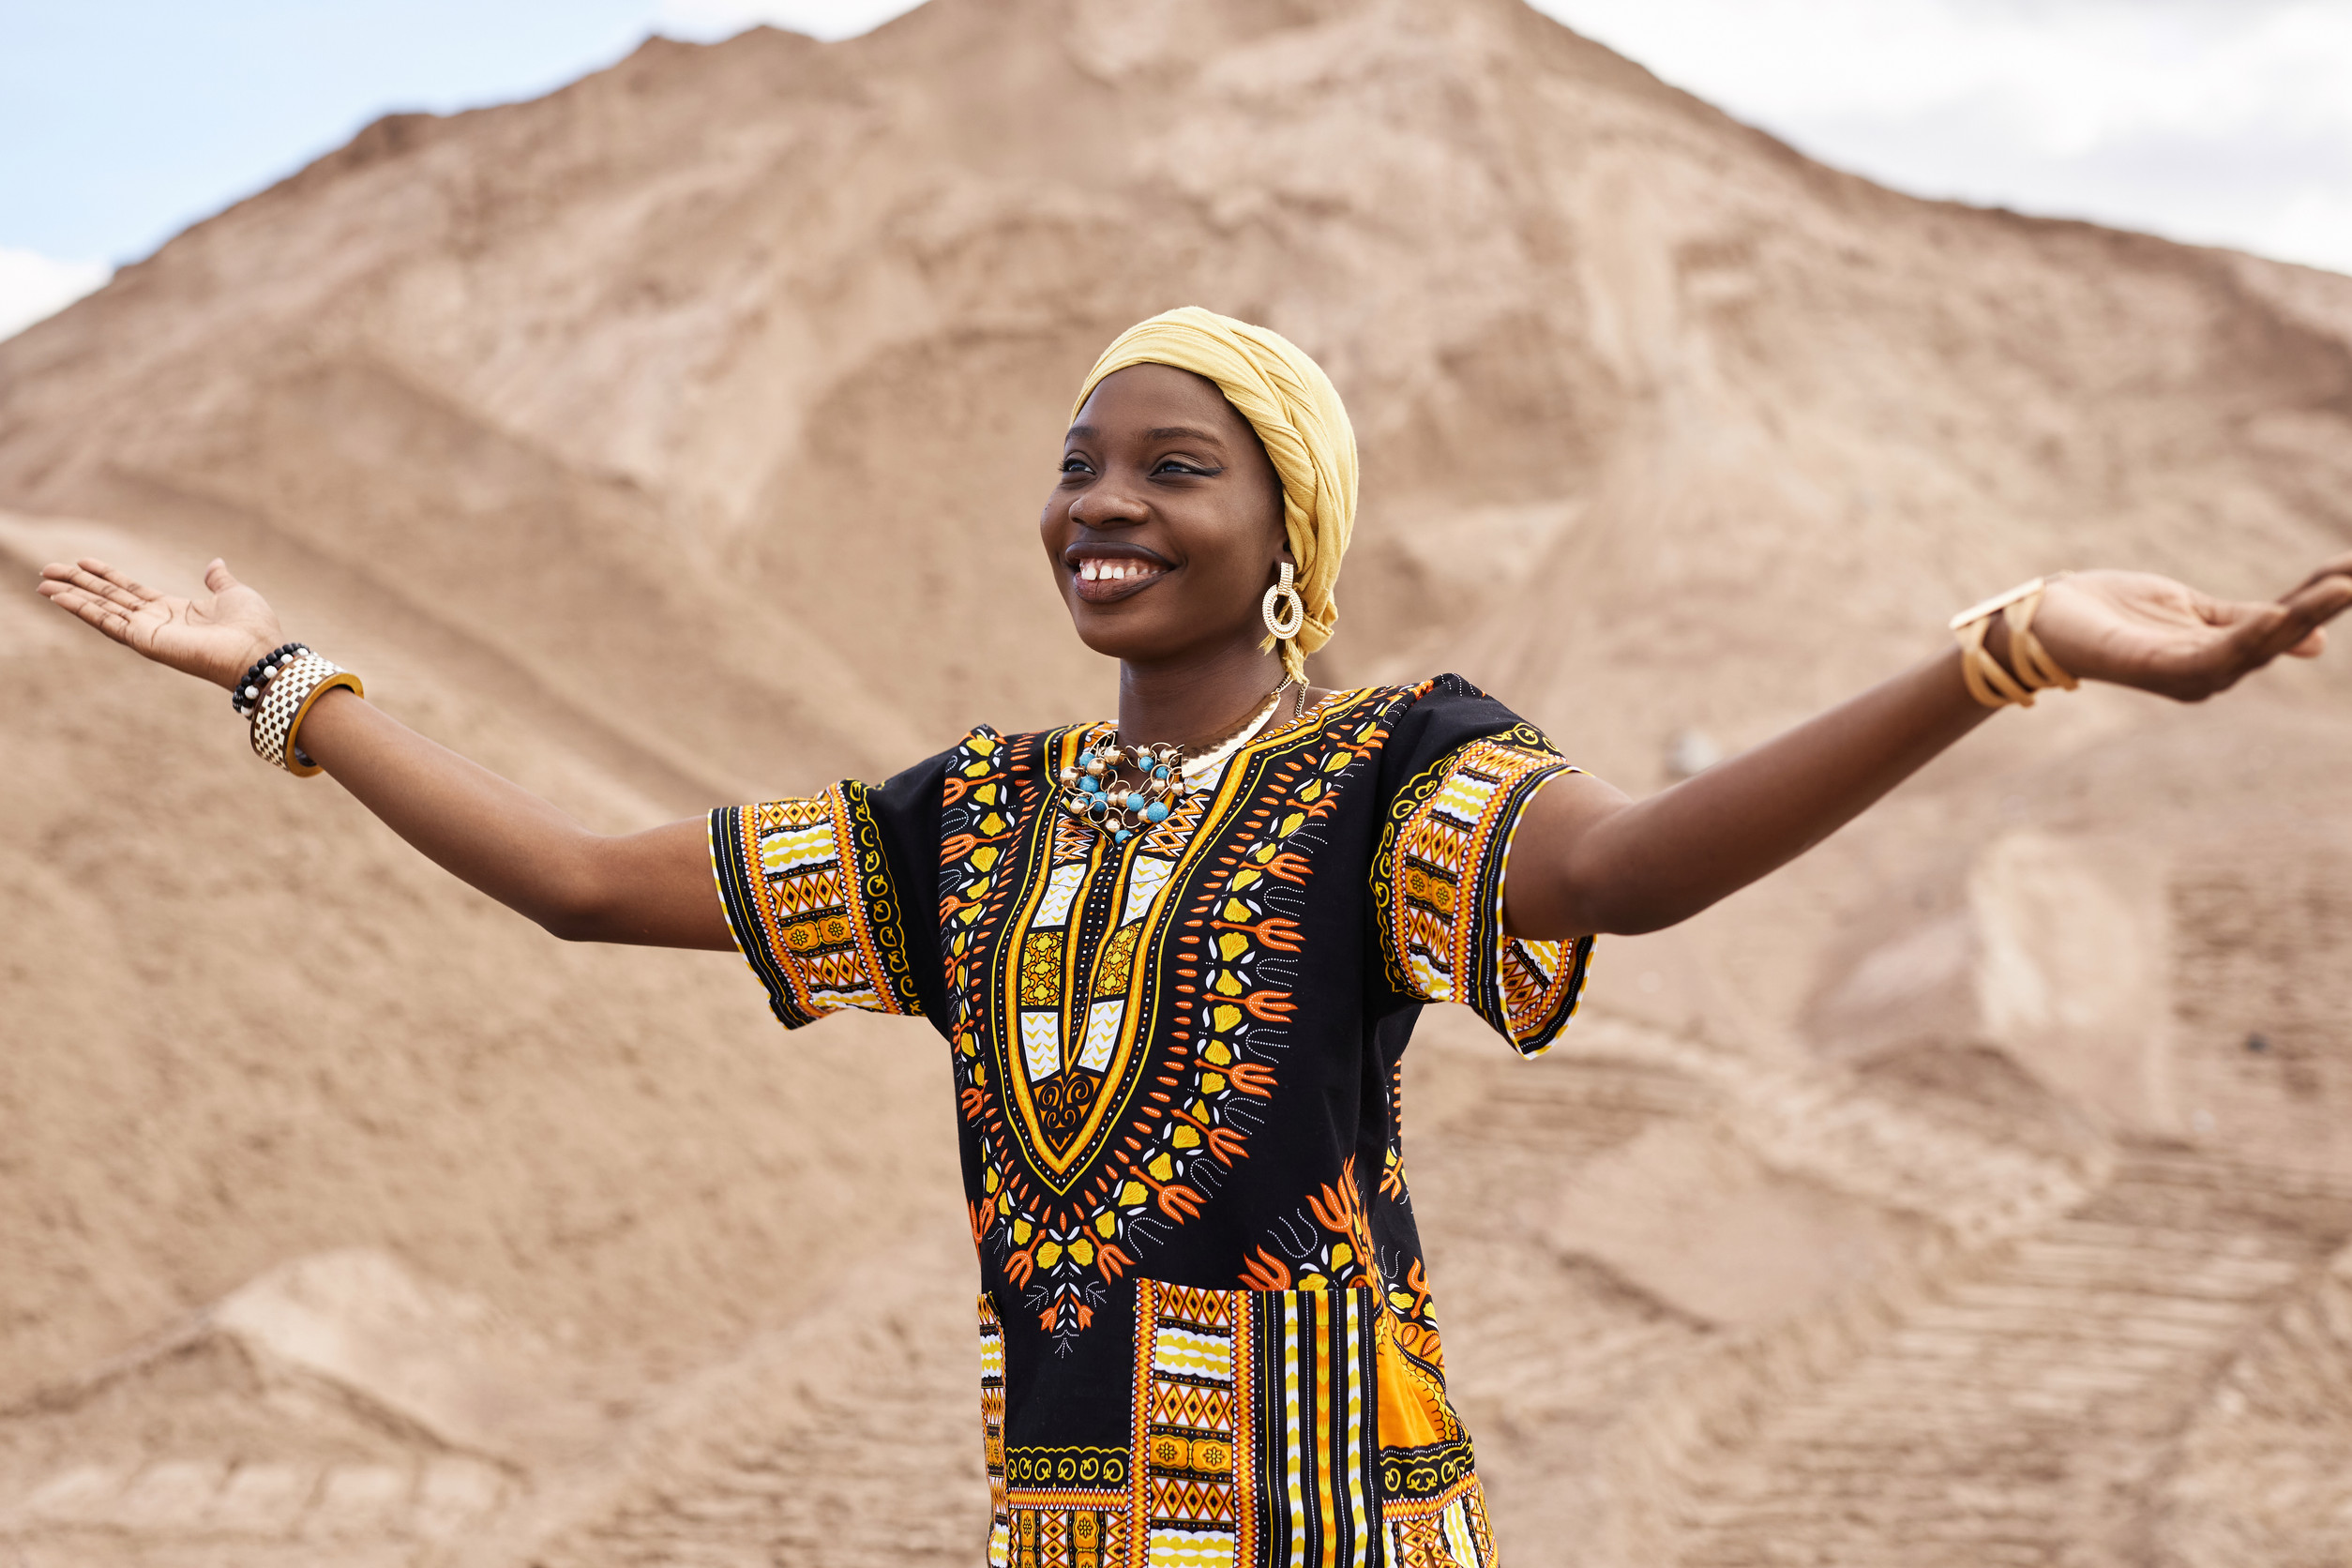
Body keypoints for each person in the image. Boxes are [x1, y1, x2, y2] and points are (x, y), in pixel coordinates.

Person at [35, 306, 2352, 1568]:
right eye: (1080, 461)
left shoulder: (1384, 775)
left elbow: (1634, 866)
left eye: (1173, 465)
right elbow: (573, 878)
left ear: (1285, 533)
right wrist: (283, 678)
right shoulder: (973, 821)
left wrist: (2005, 650)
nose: (1103, 503)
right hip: (1064, 1529)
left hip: (1339, 1521)